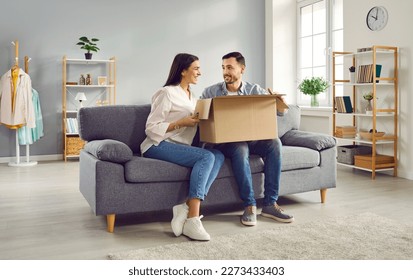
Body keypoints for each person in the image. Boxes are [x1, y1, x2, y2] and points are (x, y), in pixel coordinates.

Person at [202, 51, 294, 226]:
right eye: (223, 67)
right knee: (240, 147)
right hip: (225, 143)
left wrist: (279, 102)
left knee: (275, 143)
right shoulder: (211, 92)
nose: (225, 72)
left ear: (242, 69)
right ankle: (250, 205)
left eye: (229, 67)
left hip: (252, 139)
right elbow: (200, 116)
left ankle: (270, 204)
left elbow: (280, 112)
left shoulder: (254, 90)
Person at [141, 53, 225, 241]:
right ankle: (193, 219)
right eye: (196, 68)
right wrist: (181, 123)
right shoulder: (166, 93)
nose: (200, 73)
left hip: (180, 145)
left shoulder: (193, 97)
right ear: (183, 71)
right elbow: (151, 128)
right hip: (158, 145)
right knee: (207, 157)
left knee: (217, 155)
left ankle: (185, 206)